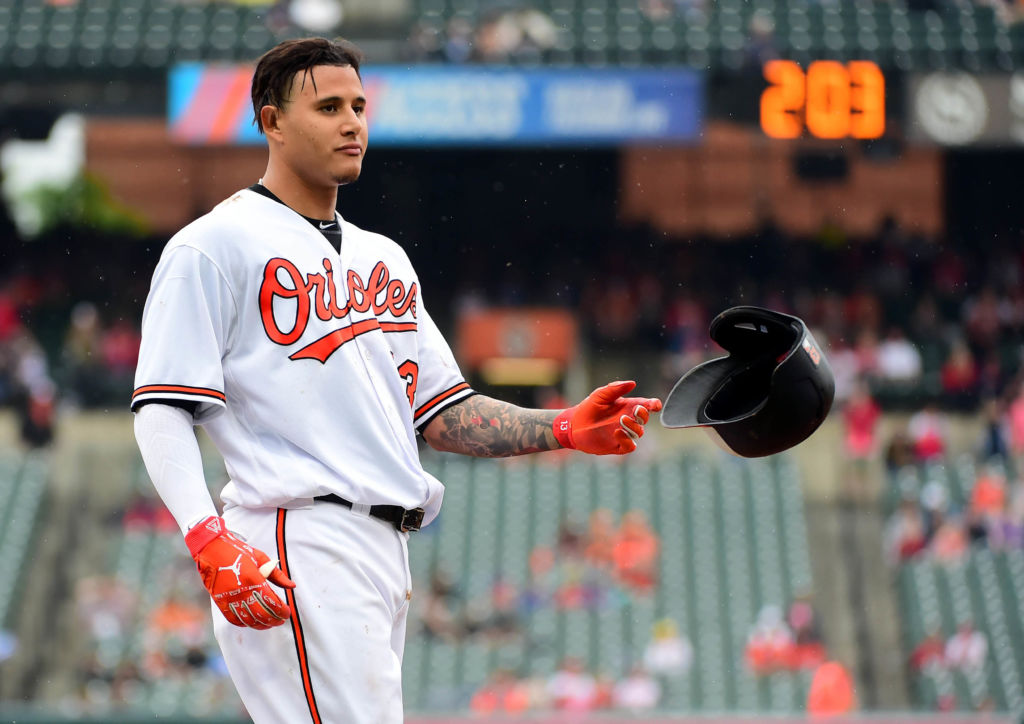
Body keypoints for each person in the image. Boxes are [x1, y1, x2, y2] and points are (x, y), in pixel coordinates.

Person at [131, 37, 662, 724]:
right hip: (298, 534)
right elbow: (161, 407)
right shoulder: (215, 244)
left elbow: (444, 412)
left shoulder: (384, 257)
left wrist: (561, 427)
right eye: (327, 107)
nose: (353, 122)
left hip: (383, 549)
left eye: (358, 105)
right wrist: (206, 539)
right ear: (271, 122)